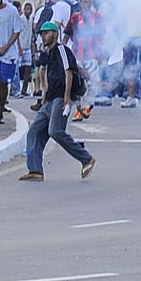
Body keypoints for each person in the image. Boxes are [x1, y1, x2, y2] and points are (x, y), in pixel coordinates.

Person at [21, 21, 97, 181]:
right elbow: (49, 75)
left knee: (55, 131)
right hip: (50, 98)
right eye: (42, 33)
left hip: (61, 97)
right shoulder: (49, 53)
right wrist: (43, 97)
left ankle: (86, 158)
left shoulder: (62, 49)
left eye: (46, 33)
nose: (43, 36)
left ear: (55, 34)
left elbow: (68, 72)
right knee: (34, 131)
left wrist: (67, 97)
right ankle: (35, 170)